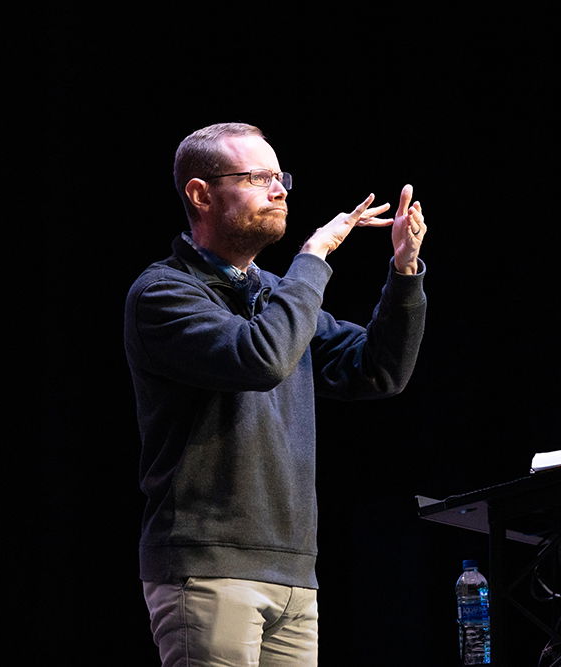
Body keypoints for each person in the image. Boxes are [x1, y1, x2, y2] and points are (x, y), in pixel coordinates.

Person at [123, 122, 428, 665]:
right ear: (200, 194)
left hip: (292, 572)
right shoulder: (165, 292)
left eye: (279, 175)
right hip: (210, 567)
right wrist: (313, 258)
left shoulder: (272, 296)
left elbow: (378, 371)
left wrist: (404, 271)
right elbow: (262, 358)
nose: (280, 189)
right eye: (257, 176)